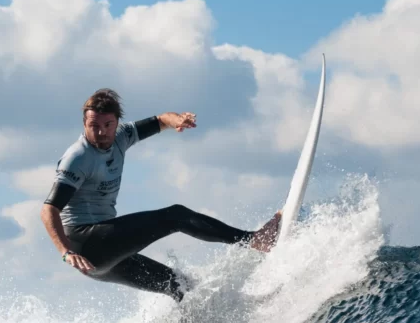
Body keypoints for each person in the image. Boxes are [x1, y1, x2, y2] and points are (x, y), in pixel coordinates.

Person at [40, 88, 283, 302]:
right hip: (87, 245)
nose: (102, 133)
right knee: (175, 216)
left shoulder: (122, 136)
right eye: (94, 126)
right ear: (85, 124)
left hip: (104, 257)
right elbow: (49, 209)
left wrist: (176, 120)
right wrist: (66, 252)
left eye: (107, 125)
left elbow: (159, 120)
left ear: (116, 122)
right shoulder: (78, 157)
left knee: (179, 285)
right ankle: (253, 240)